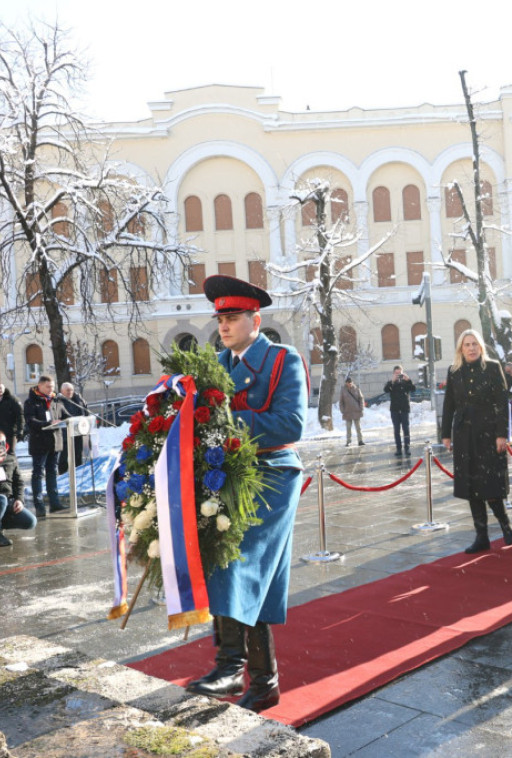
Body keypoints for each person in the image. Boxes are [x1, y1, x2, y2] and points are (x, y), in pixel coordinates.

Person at [186, 274, 306, 713]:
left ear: (255, 320)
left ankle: (231, 666)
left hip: (272, 473)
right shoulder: (219, 366)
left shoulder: (281, 360)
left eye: (233, 317)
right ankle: (264, 682)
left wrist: (222, 427)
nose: (224, 325)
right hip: (231, 476)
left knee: (236, 558)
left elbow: (291, 425)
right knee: (240, 567)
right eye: (220, 317)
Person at [441, 329, 512, 553]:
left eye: (474, 344)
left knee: (489, 484)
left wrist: (502, 434)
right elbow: (449, 404)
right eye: (467, 344)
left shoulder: (492, 368)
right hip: (464, 434)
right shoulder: (454, 371)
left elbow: (502, 403)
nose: (471, 348)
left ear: (481, 347)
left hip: (488, 433)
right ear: (460, 349)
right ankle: (481, 536)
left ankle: (505, 525)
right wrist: (446, 435)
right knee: (471, 487)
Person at [23, 375, 69, 517]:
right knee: (38, 474)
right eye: (48, 387)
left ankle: (54, 503)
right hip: (39, 443)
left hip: (55, 442)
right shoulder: (31, 402)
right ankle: (39, 505)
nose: (51, 389)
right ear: (40, 386)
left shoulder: (56, 400)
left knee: (52, 472)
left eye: (53, 387)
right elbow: (30, 421)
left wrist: (77, 419)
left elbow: (66, 416)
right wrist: (48, 424)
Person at [57, 382, 90, 474]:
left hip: (78, 433)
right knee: (64, 458)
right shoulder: (58, 401)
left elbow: (86, 412)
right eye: (67, 390)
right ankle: (62, 476)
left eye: (71, 390)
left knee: (78, 457)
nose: (70, 392)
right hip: (65, 435)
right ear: (62, 391)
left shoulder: (78, 399)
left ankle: (78, 475)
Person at [383, 365, 415, 456]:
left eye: (400, 373)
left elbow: (413, 389)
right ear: (393, 374)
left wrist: (408, 380)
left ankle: (407, 448)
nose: (398, 375)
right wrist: (392, 381)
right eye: (396, 373)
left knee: (406, 429)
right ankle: (398, 449)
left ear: (403, 373)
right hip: (395, 410)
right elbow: (386, 390)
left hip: (404, 409)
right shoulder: (391, 383)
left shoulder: (406, 382)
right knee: (396, 430)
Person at [338, 376, 365, 446]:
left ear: (352, 382)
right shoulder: (343, 390)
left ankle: (360, 440)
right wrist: (342, 410)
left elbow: (361, 398)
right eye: (348, 383)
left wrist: (361, 407)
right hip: (347, 412)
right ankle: (348, 441)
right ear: (346, 383)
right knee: (348, 428)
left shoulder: (356, 389)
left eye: (350, 383)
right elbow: (341, 401)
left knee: (358, 427)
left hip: (356, 411)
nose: (349, 384)